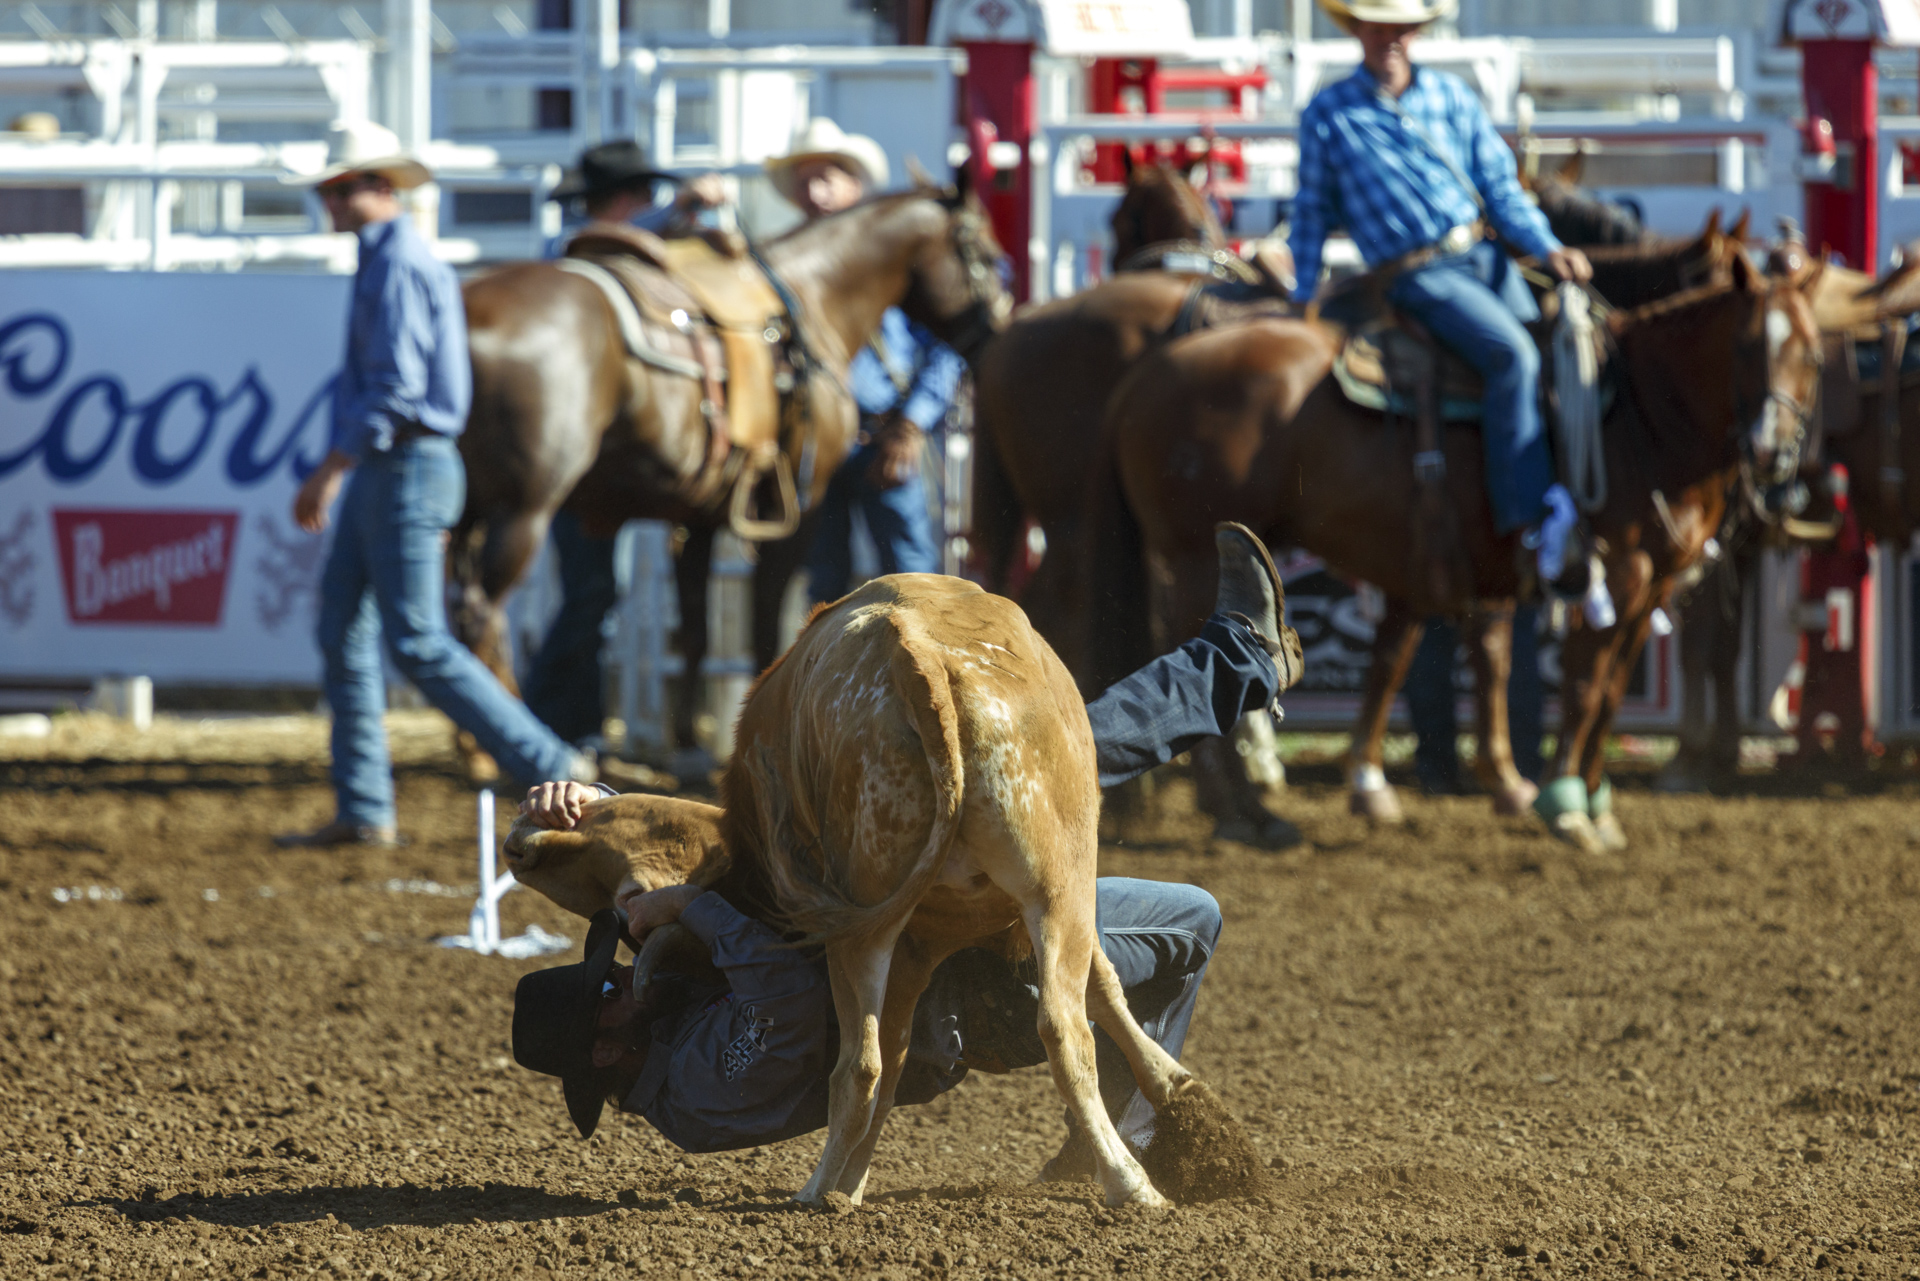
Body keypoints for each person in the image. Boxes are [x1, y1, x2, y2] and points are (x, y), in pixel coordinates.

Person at [509, 527, 1295, 1172]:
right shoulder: (698, 1095)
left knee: (1022, 747)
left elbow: (720, 862)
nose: (618, 977)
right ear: (606, 1049)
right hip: (966, 994)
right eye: (605, 994)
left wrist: (591, 817)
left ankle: (1237, 659)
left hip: (888, 922)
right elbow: (780, 991)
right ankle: (1135, 1134)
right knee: (1190, 916)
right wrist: (688, 907)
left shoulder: (666, 1020)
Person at [276, 120, 595, 849]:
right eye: (328, 187)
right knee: (353, 628)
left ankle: (554, 764)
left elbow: (394, 388)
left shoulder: (395, 263)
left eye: (337, 186)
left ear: (377, 189)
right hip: (402, 464)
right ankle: (364, 806)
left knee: (412, 637)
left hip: (404, 463)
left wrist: (331, 468)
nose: (327, 198)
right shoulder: (390, 258)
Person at [1290, 0, 1593, 584]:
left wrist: (1547, 246)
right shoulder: (1330, 113)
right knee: (1511, 356)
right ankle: (1525, 523)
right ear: (1359, 31)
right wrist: (1302, 294)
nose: (1389, 39)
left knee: (1561, 353)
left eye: (1398, 28)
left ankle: (1568, 504)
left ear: (1414, 33)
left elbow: (1501, 190)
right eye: (1377, 27)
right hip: (1414, 274)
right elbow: (1310, 212)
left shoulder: (1452, 98)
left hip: (1482, 255)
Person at [521, 142, 727, 745]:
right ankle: (541, 722)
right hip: (585, 458)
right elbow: (614, 239)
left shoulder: (569, 259)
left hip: (583, 457)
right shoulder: (576, 256)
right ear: (627, 200)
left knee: (591, 592)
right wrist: (679, 212)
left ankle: (565, 726)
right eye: (643, 200)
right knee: (591, 592)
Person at [765, 118, 967, 604]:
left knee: (912, 580)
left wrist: (913, 424)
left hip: (885, 433)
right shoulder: (781, 266)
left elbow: (947, 342)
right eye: (805, 180)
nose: (816, 192)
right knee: (825, 583)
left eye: (827, 177)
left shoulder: (897, 258)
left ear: (855, 185)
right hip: (814, 441)